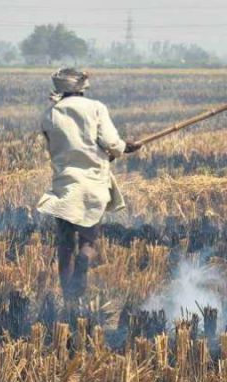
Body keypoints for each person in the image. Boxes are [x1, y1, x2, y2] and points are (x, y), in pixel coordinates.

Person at [36, 68, 142, 304]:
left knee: (64, 244)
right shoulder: (96, 108)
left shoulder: (49, 115)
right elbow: (112, 144)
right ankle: (84, 261)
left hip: (65, 186)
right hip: (93, 185)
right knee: (88, 242)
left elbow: (61, 149)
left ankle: (68, 298)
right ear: (82, 87)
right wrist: (126, 146)